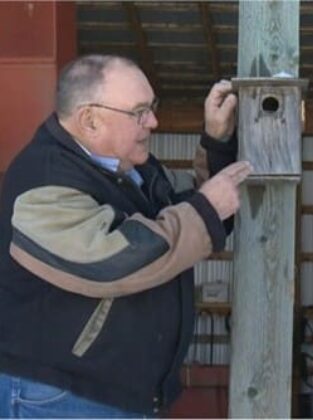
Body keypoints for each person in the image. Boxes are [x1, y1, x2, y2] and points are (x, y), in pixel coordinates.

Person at [0, 54, 251, 418]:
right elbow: (115, 261)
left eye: (152, 107)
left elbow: (188, 212)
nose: (153, 121)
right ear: (90, 119)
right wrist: (207, 210)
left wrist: (217, 140)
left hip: (116, 395)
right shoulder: (43, 181)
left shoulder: (133, 170)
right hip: (61, 397)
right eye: (139, 112)